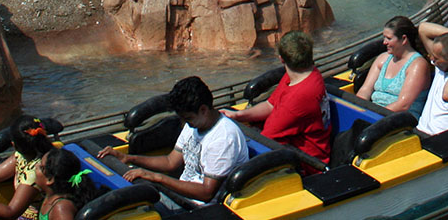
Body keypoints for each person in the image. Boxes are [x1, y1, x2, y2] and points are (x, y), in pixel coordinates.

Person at [99, 76, 246, 205]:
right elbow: (170, 162)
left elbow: (206, 193)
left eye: (187, 118)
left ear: (203, 109)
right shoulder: (195, 123)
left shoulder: (224, 139)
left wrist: (156, 178)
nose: (184, 124)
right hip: (179, 196)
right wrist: (129, 158)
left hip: (198, 207)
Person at [223, 31, 331, 163]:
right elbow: (270, 105)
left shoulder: (297, 99)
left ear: (281, 59)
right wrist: (239, 115)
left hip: (306, 162)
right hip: (285, 142)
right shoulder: (304, 73)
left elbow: (265, 141)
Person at [357, 15, 432, 113]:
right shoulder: (382, 59)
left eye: (389, 38)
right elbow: (365, 90)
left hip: (400, 119)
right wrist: (358, 109)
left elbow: (403, 105)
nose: (384, 42)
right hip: (374, 113)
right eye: (384, 38)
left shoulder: (417, 65)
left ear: (404, 39)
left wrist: (373, 115)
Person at [34, 148, 98, 220]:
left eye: (41, 167)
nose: (36, 166)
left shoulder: (61, 208)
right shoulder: (49, 196)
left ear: (50, 179)